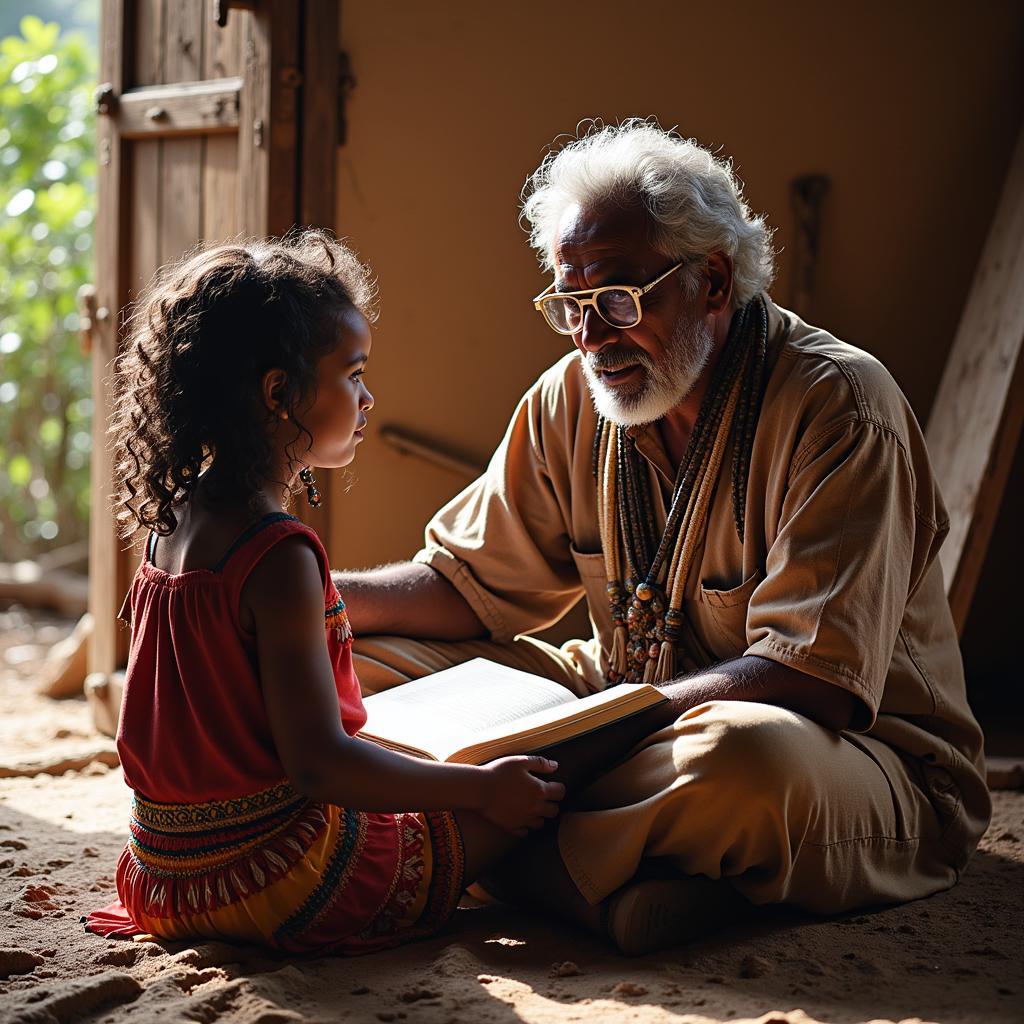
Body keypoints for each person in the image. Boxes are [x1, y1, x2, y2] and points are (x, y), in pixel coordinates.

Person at [333, 121, 992, 955]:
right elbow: (463, 585)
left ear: (712, 282)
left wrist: (584, 739)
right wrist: (308, 595)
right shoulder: (572, 397)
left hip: (850, 755)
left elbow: (810, 681)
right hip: (624, 699)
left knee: (739, 763)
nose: (589, 338)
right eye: (569, 306)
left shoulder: (840, 407)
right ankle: (601, 876)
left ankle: (486, 853)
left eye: (616, 300)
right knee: (345, 664)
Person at [84, 230, 658, 954]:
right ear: (279, 393)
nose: (367, 397)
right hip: (277, 882)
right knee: (553, 770)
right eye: (353, 374)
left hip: (166, 879)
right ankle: (607, 895)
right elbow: (320, 765)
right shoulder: (280, 553)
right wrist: (480, 790)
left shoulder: (172, 522)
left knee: (460, 781)